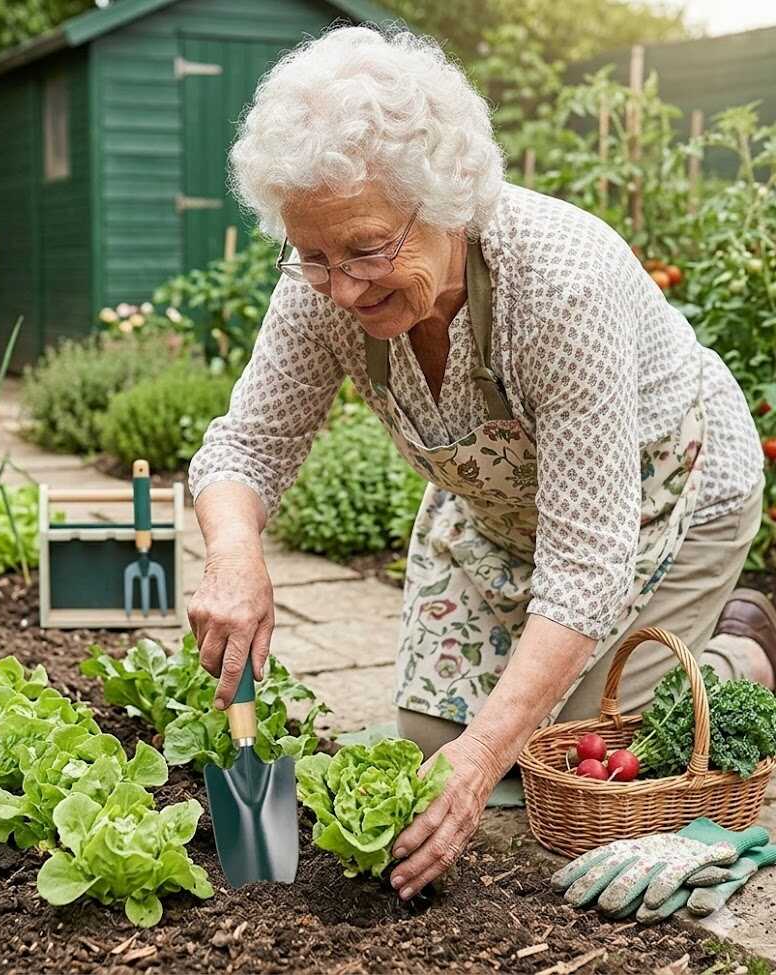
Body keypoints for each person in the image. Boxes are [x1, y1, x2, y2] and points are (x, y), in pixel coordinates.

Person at [185, 25, 773, 902]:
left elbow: (585, 566)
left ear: (449, 199)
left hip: (667, 499)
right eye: (314, 253)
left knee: (578, 755)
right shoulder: (322, 282)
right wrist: (235, 556)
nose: (343, 286)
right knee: (432, 753)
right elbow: (246, 445)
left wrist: (492, 748)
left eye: (369, 249)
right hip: (502, 516)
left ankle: (745, 647)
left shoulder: (557, 282)